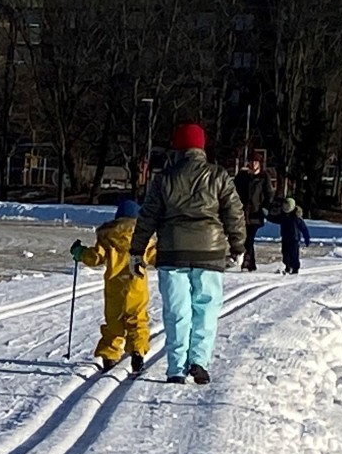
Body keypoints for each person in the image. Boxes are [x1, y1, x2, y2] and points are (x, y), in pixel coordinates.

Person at [129, 122, 246, 385]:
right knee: (205, 310)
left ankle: (176, 369)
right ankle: (199, 362)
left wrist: (137, 250)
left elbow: (147, 217)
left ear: (178, 149)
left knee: (177, 311)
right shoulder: (218, 176)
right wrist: (238, 245)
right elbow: (234, 212)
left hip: (173, 251)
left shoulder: (164, 179)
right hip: (210, 252)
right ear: (201, 148)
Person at [71, 198, 156, 375]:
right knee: (137, 321)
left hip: (114, 289)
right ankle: (137, 354)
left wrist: (79, 252)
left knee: (113, 323)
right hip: (137, 287)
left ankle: (109, 356)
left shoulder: (108, 238)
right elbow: (157, 256)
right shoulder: (144, 238)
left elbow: (94, 258)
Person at [233, 157, 273, 271]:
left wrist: (265, 207)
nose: (253, 164)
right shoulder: (242, 177)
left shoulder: (264, 177)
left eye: (256, 162)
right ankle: (252, 263)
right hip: (242, 212)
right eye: (251, 161)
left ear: (259, 164)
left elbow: (269, 194)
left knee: (249, 238)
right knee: (245, 239)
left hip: (256, 213)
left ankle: (246, 262)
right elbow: (233, 191)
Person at [270, 195, 312, 275]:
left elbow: (304, 228)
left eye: (287, 206)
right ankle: (287, 266)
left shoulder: (296, 217)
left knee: (294, 254)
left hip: (294, 239)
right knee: (285, 253)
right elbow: (275, 219)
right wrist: (267, 216)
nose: (285, 208)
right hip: (285, 238)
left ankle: (295, 268)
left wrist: (307, 238)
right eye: (284, 206)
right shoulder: (283, 216)